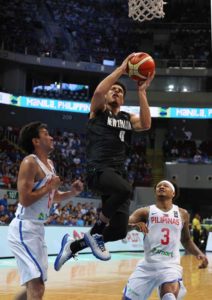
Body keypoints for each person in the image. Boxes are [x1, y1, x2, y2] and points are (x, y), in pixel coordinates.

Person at [54, 53, 154, 271]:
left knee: (119, 231)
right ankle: (96, 232)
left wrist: (142, 91)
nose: (116, 91)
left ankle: (74, 245)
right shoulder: (98, 112)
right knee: (126, 190)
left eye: (120, 91)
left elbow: (146, 123)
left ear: (123, 100)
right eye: (114, 89)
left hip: (116, 174)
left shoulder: (127, 118)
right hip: (98, 169)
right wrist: (121, 69)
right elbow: (99, 91)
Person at [7, 121, 83, 300]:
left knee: (34, 287)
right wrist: (49, 187)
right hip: (23, 229)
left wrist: (72, 192)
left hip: (37, 229)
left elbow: (53, 197)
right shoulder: (29, 162)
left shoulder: (49, 164)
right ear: (36, 141)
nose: (51, 137)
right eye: (46, 134)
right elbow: (24, 200)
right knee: (37, 287)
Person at [122, 180, 208, 300]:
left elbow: (186, 240)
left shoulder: (182, 214)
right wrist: (133, 226)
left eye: (165, 185)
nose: (161, 187)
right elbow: (123, 226)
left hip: (170, 266)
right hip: (148, 265)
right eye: (158, 186)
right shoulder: (145, 211)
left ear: (173, 193)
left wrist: (200, 254)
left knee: (169, 296)